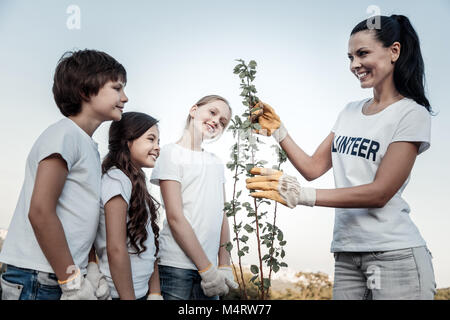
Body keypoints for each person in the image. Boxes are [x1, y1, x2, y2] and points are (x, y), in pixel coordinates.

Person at [246, 15, 436, 300]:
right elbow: (312, 168)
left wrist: (302, 196)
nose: (354, 65)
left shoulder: (411, 114)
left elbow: (380, 192)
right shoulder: (349, 111)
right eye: (350, 57)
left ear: (394, 51)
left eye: (362, 54)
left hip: (395, 257)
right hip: (347, 254)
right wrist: (279, 130)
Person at [0, 49, 128, 300]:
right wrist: (71, 282)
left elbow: (80, 216)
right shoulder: (65, 135)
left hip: (56, 275)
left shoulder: (87, 145)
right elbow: (40, 211)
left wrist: (89, 267)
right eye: (117, 88)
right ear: (85, 90)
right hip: (38, 276)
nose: (125, 97)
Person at [150, 95, 238, 300]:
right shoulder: (170, 153)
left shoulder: (216, 162)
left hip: (212, 274)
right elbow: (175, 216)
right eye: (213, 112)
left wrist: (223, 265)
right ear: (194, 110)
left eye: (223, 122)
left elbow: (222, 215)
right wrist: (206, 268)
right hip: (176, 267)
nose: (216, 121)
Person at [94, 112, 163, 300]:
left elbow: (150, 240)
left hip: (140, 292)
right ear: (127, 140)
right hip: (121, 295)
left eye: (158, 141)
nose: (158, 147)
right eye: (151, 139)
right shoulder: (116, 179)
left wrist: (155, 292)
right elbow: (116, 247)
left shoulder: (135, 183)